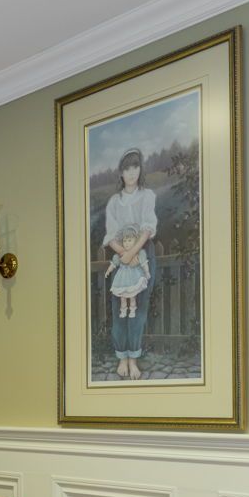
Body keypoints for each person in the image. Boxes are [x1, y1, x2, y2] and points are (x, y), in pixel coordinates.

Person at [100, 149, 158, 380]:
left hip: (142, 254)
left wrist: (133, 253)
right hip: (121, 257)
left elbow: (147, 228)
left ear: (140, 169)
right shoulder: (114, 202)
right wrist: (124, 254)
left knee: (138, 309)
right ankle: (121, 358)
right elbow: (111, 235)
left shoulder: (147, 196)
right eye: (127, 168)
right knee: (120, 308)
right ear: (121, 172)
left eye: (135, 167)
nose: (131, 172)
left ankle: (133, 359)